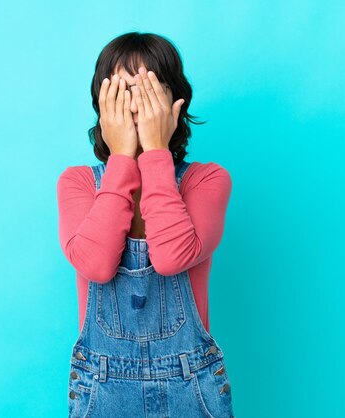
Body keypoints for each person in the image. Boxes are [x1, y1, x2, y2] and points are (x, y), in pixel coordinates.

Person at [57, 31, 235, 417]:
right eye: (122, 93)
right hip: (101, 389)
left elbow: (173, 257)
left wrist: (155, 151)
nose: (136, 107)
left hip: (192, 388)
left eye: (150, 91)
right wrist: (122, 156)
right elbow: (96, 265)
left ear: (175, 103)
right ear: (102, 107)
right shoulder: (78, 183)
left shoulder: (207, 180)